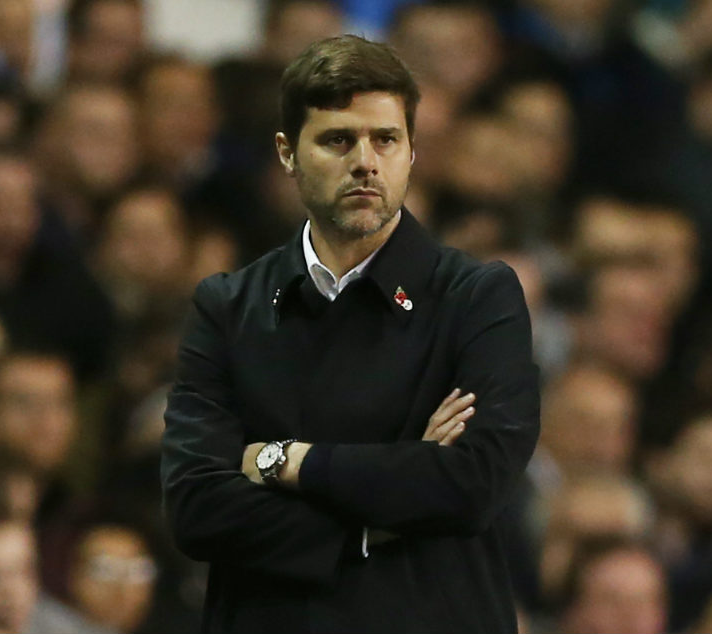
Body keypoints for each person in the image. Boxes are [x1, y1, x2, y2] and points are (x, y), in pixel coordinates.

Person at [161, 35, 540, 633]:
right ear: (287, 153)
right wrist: (382, 512)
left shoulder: (477, 297)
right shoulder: (228, 306)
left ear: (412, 152)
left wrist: (283, 461)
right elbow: (197, 509)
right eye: (338, 140)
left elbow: (473, 485)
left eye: (386, 139)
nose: (365, 161)